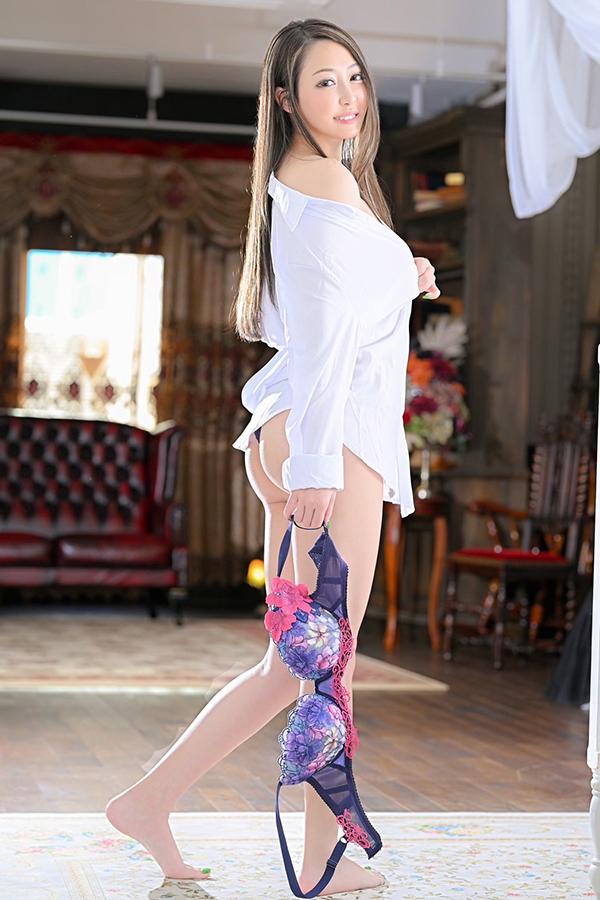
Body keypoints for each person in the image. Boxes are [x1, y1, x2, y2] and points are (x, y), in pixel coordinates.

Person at [105, 17, 439, 897]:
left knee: (305, 664)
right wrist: (317, 467)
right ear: (287, 99)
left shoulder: (318, 181)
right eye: (325, 82)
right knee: (325, 663)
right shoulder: (321, 180)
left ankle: (154, 803)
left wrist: (400, 276)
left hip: (308, 430)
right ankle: (313, 857)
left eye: (354, 77)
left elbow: (328, 307)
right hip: (328, 440)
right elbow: (323, 335)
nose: (348, 95)